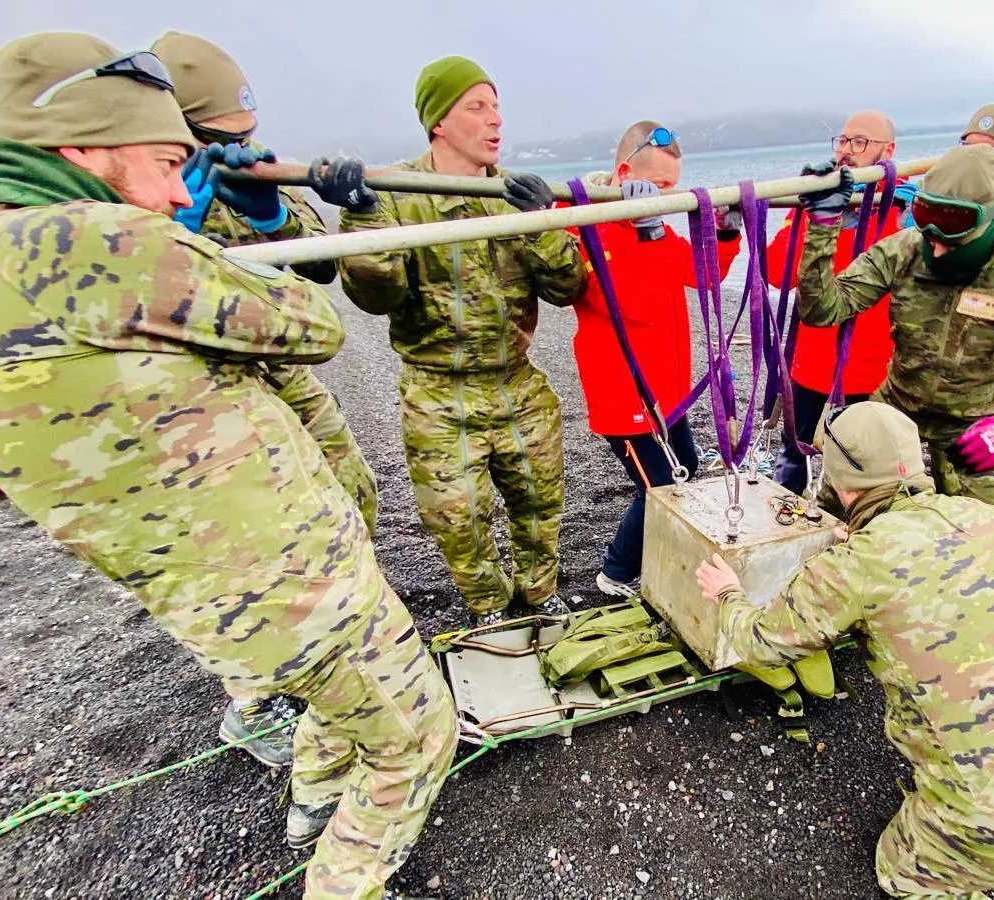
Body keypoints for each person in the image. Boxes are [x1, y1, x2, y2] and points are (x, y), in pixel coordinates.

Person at [0, 34, 456, 899]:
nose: (180, 188)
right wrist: (205, 235)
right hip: (290, 582)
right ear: (81, 149)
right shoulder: (94, 241)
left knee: (339, 707)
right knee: (415, 741)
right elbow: (315, 325)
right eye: (167, 159)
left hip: (218, 593)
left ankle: (310, 806)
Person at [695, 401, 994, 899]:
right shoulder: (988, 517)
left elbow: (760, 644)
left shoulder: (859, 563)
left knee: (898, 871)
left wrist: (727, 592)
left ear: (843, 477)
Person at [150, 28, 382, 772]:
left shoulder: (251, 170)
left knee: (352, 496)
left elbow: (318, 271)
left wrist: (274, 212)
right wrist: (178, 218)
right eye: (219, 137)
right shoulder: (133, 187)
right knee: (231, 555)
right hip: (189, 397)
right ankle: (254, 704)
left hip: (276, 374)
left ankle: (335, 654)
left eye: (248, 134)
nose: (239, 147)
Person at [308, 56, 585, 628]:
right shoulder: (395, 195)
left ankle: (539, 594)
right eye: (477, 106)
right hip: (438, 393)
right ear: (439, 122)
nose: (496, 120)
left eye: (497, 105)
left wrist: (542, 221)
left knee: (540, 504)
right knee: (457, 520)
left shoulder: (513, 194)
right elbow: (374, 298)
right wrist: (360, 217)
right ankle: (488, 604)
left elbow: (568, 287)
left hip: (517, 381)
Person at [792, 144, 994, 528]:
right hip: (898, 405)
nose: (937, 246)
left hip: (979, 420)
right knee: (824, 519)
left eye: (952, 236)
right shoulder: (906, 250)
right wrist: (824, 225)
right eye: (928, 228)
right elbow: (823, 310)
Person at [569, 121, 742, 598]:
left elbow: (701, 274)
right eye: (661, 188)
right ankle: (617, 572)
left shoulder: (656, 229)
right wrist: (648, 233)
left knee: (685, 466)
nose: (667, 198)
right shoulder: (587, 225)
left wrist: (725, 232)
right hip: (623, 396)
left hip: (666, 392)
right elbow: (629, 304)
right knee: (660, 489)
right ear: (626, 173)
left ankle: (651, 556)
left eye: (672, 188)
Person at [767, 110, 903, 497]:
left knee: (869, 472)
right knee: (794, 459)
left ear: (888, 150)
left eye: (859, 143)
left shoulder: (903, 207)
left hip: (875, 372)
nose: (846, 151)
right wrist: (819, 217)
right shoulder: (819, 199)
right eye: (842, 141)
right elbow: (778, 272)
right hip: (811, 363)